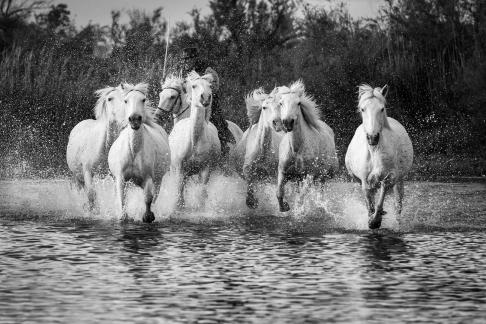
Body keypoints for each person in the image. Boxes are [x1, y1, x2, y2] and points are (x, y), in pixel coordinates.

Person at [178, 46, 234, 158]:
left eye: (188, 58)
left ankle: (223, 147)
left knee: (217, 120)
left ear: (195, 58)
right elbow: (180, 87)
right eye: (183, 59)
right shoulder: (182, 71)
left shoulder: (207, 70)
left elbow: (215, 86)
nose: (185, 61)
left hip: (207, 102)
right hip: (189, 103)